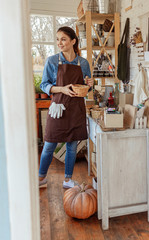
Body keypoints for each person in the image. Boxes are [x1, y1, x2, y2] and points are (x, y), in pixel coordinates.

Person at [38, 26, 93, 188]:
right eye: (57, 39)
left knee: (72, 145)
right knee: (49, 144)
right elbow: (44, 85)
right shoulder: (52, 60)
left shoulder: (83, 63)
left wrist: (89, 84)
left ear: (73, 41)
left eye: (63, 39)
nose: (59, 43)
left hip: (76, 109)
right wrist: (61, 89)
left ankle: (68, 180)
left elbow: (85, 88)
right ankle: (41, 178)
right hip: (58, 108)